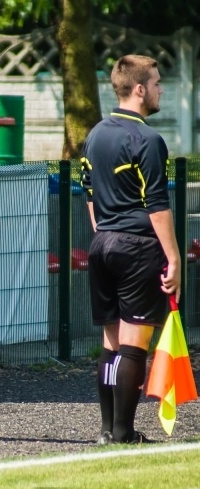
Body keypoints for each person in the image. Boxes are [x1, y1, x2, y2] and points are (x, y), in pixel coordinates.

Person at [80, 54, 179, 446]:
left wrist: (104, 232)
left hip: (101, 242)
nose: (160, 90)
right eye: (156, 83)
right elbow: (157, 205)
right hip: (138, 247)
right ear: (139, 89)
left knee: (111, 344)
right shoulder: (148, 140)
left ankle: (107, 429)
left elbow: (88, 191)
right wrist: (173, 258)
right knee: (134, 347)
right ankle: (124, 433)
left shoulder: (95, 133)